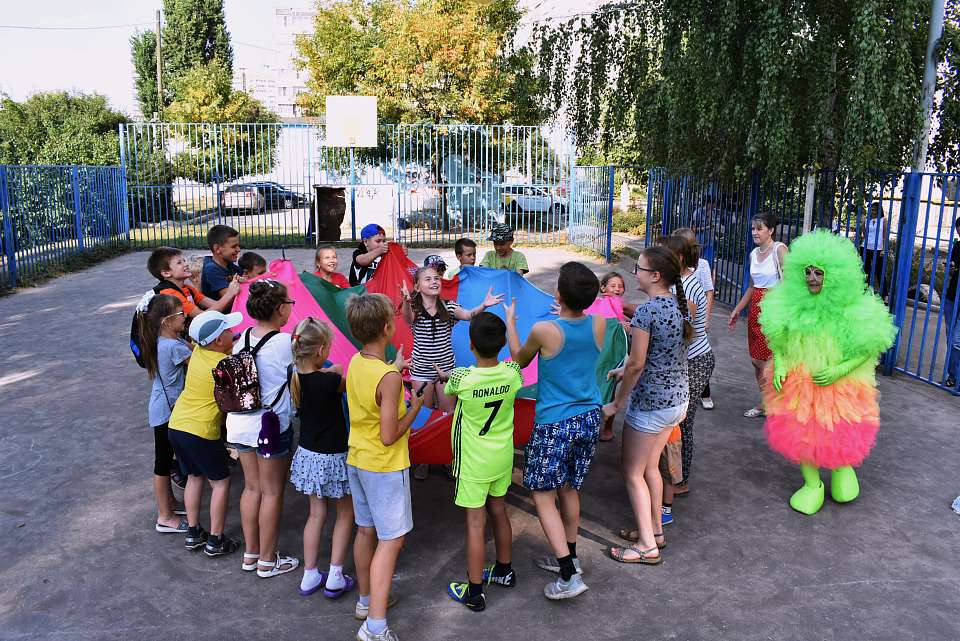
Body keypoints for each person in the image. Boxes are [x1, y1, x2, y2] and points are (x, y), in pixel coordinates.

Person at [761, 231, 896, 514]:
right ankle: (812, 484)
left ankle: (841, 468)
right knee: (802, 432)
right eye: (807, 271)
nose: (811, 278)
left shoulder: (853, 309)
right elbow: (778, 338)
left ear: (834, 275)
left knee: (839, 426)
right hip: (800, 381)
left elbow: (868, 347)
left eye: (819, 272)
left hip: (839, 383)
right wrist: (782, 363)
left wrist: (840, 369)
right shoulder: (788, 303)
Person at [505, 262, 606, 601]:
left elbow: (518, 361)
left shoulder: (544, 329)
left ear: (559, 294)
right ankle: (572, 558)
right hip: (589, 418)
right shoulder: (600, 324)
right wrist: (565, 311)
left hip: (555, 422)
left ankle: (568, 575)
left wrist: (510, 324)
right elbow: (575, 330)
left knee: (543, 496)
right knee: (568, 488)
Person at [602, 246, 691, 564]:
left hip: (652, 405)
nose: (634, 273)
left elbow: (638, 364)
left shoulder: (646, 311)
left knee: (632, 472)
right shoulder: (679, 308)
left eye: (638, 268)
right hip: (676, 401)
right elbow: (655, 355)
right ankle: (655, 532)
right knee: (651, 468)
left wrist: (616, 403)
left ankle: (646, 547)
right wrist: (622, 368)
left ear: (655, 276)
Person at [345, 293, 424, 641]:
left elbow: (373, 396)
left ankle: (366, 601)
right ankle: (375, 626)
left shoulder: (356, 361)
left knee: (366, 531)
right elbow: (390, 435)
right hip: (385, 466)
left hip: (358, 459)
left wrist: (395, 368)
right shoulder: (389, 378)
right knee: (391, 540)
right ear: (388, 327)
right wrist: (416, 406)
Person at [440, 312, 523, 612]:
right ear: (501, 344)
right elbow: (519, 358)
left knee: (475, 524)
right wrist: (511, 324)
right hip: (502, 458)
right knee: (499, 512)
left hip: (473, 463)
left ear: (471, 344)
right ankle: (504, 570)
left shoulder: (463, 377)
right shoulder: (513, 373)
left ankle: (474, 592)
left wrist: (443, 376)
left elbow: (449, 389)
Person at [225, 280, 299, 578]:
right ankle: (268, 560)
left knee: (252, 487)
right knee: (272, 492)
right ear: (280, 309)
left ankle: (251, 553)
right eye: (290, 304)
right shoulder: (284, 344)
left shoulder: (240, 339)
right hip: (270, 427)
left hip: (240, 424)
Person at [401, 264, 502, 480]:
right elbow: (408, 318)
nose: (434, 281)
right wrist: (407, 301)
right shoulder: (415, 309)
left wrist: (483, 305)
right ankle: (424, 459)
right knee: (424, 414)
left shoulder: (448, 307)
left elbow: (468, 315)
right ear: (417, 287)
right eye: (427, 279)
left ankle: (447, 457)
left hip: (446, 370)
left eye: (436, 278)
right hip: (421, 372)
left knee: (448, 416)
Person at [167, 309, 244, 556]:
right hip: (201, 431)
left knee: (194, 477)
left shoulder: (198, 351)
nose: (233, 334)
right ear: (218, 340)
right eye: (229, 332)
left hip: (177, 425)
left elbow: (222, 350)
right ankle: (216, 539)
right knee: (220, 483)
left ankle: (193, 532)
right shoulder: (223, 366)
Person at [288, 317, 356, 598]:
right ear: (320, 351)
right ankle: (336, 575)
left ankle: (310, 574)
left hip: (308, 454)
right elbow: (344, 381)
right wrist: (334, 370)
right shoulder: (329, 382)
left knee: (316, 514)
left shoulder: (295, 377)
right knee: (345, 513)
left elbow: (328, 374)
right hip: (335, 455)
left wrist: (330, 370)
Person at [658, 235, 713, 511]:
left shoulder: (688, 287)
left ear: (677, 258)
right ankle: (673, 476)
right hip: (687, 359)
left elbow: (682, 331)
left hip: (695, 360)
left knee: (683, 423)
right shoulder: (679, 282)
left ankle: (680, 479)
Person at [139, 294, 190, 534]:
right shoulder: (172, 347)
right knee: (162, 463)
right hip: (167, 411)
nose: (185, 316)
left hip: (162, 405)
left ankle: (168, 504)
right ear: (167, 321)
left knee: (165, 459)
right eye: (180, 314)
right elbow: (200, 359)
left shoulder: (165, 340)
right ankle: (165, 517)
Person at [727, 212, 787, 417]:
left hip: (774, 310)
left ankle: (774, 404)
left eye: (759, 228)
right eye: (753, 228)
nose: (755, 232)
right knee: (756, 360)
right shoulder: (753, 254)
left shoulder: (779, 250)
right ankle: (767, 402)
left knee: (771, 360)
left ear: (770, 230)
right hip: (755, 309)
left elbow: (790, 285)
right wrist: (737, 309)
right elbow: (753, 287)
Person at [672, 227, 717, 410]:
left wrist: (706, 318)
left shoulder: (699, 268)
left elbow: (708, 292)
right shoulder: (676, 274)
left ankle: (705, 394)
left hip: (694, 341)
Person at [147, 246, 239, 319]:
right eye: (179, 263)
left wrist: (234, 288)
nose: (186, 264)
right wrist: (229, 293)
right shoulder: (169, 294)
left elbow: (215, 305)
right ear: (166, 273)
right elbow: (202, 317)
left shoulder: (187, 288)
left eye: (184, 260)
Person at [597, 271, 634, 443]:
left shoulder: (619, 305)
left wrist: (626, 326)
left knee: (609, 383)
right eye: (613, 286)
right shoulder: (597, 303)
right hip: (600, 352)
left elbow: (630, 322)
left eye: (621, 286)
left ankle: (608, 427)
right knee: (603, 383)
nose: (617, 289)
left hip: (613, 353)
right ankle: (602, 424)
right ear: (602, 288)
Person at [200, 225, 243, 299]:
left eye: (238, 245)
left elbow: (246, 276)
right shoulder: (211, 269)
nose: (238, 249)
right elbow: (229, 296)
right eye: (234, 246)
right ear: (217, 249)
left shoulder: (228, 264)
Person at [860, 202, 889, 299]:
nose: (872, 211)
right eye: (871, 209)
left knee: (879, 271)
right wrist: (863, 223)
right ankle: (864, 291)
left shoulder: (883, 220)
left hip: (878, 249)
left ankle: (885, 295)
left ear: (879, 211)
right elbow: (864, 234)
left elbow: (885, 236)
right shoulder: (867, 220)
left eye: (875, 210)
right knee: (865, 270)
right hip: (865, 247)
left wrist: (884, 249)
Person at [943, 217, 960, 388]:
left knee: (956, 340)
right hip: (951, 296)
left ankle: (956, 377)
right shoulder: (957, 246)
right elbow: (953, 267)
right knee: (951, 339)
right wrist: (951, 267)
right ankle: (953, 376)